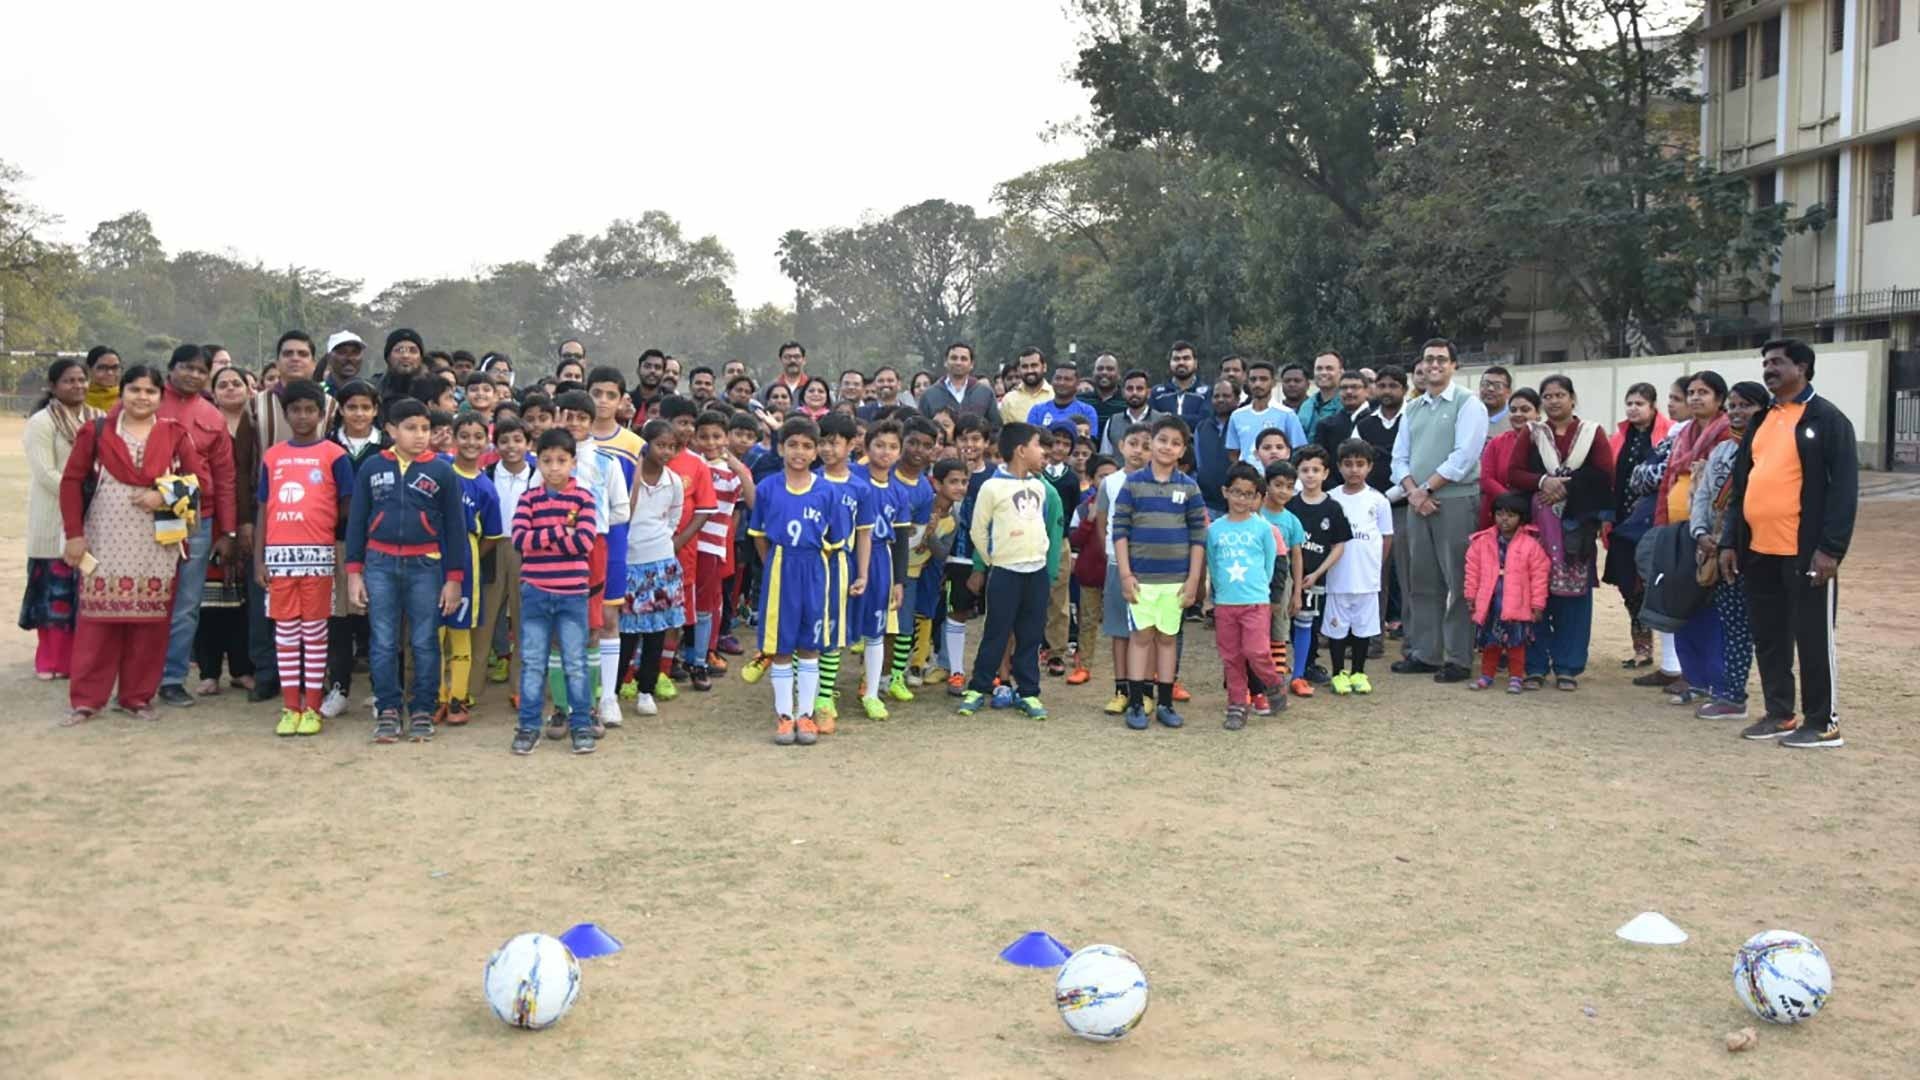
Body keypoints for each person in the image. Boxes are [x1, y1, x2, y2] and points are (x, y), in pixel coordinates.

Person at [1718, 340, 1857, 748]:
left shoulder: (1828, 420)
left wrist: (1831, 549)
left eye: (1777, 362)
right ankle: (1780, 714)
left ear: (1803, 367)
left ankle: (1822, 723)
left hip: (1806, 551)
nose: (1768, 369)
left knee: (1812, 636)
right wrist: (1730, 541)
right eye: (1765, 363)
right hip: (1758, 550)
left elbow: (1844, 491)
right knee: (1770, 635)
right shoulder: (1762, 421)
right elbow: (1742, 487)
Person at [59, 365, 209, 724]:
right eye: (135, 390)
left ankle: (137, 697)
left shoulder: (174, 435)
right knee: (97, 623)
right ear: (122, 393)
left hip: (156, 545)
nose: (142, 397)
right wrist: (74, 535)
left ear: (161, 396)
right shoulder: (95, 433)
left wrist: (162, 494)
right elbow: (70, 483)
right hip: (104, 540)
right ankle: (86, 700)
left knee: (150, 624)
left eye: (150, 391)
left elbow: (198, 482)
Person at [344, 397, 471, 744]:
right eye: (411, 428)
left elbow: (456, 530)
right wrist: (354, 572)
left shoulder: (442, 470)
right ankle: (387, 708)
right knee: (383, 641)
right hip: (379, 564)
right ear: (390, 430)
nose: (420, 436)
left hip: (426, 566)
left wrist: (454, 579)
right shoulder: (371, 467)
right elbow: (357, 522)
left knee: (424, 641)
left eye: (425, 429)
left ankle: (421, 709)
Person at [250, 381, 355, 736]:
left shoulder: (335, 455)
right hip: (279, 559)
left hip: (319, 556)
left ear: (322, 414)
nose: (303, 416)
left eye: (310, 410)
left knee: (314, 633)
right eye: (296, 410)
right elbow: (264, 507)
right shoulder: (273, 456)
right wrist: (259, 559)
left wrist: (319, 525)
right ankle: (289, 707)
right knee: (285, 635)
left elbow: (347, 505)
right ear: (286, 413)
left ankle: (312, 708)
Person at [1389, 339, 1489, 683]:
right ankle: (1425, 653)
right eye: (1428, 359)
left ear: (1454, 365)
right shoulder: (1413, 408)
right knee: (1422, 580)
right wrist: (1413, 492)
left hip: (1456, 500)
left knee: (1459, 582)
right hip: (1418, 502)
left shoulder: (1468, 404)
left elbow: (1464, 457)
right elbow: (1398, 457)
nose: (1434, 365)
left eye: (1441, 360)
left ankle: (1458, 658)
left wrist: (1426, 489)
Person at [1507, 375, 1614, 690]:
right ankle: (1535, 665)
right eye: (1548, 396)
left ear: (1572, 398)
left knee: (1574, 599)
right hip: (1538, 527)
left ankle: (1568, 666)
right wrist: (1543, 482)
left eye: (1560, 395)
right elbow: (1514, 473)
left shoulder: (1592, 433)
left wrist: (1566, 487)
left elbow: (1605, 476)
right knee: (1535, 594)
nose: (1554, 401)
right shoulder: (1532, 433)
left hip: (1575, 526)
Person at [748, 417, 843, 746]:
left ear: (816, 451)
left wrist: (811, 566)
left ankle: (806, 713)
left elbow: (835, 539)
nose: (799, 452)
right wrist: (775, 563)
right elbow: (759, 536)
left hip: (814, 568)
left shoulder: (827, 491)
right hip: (780, 566)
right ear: (780, 448)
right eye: (792, 445)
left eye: (806, 446)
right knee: (781, 645)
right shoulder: (767, 487)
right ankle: (784, 715)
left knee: (810, 643)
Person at [955, 421, 1058, 719]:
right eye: (1040, 446)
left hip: (1036, 572)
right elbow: (977, 529)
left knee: (1030, 633)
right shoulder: (991, 487)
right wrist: (992, 560)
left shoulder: (1040, 487)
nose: (1044, 453)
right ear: (1021, 450)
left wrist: (1041, 560)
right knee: (996, 631)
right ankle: (979, 687)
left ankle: (1028, 692)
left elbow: (1043, 526)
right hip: (1004, 571)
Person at [156, 345, 240, 709]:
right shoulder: (146, 402)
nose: (192, 375)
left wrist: (228, 531)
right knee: (146, 597)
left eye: (199, 370)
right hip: (148, 514)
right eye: (185, 368)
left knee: (187, 602)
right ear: (170, 369)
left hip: (197, 518)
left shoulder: (212, 415)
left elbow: (225, 477)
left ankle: (172, 679)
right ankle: (137, 676)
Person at [1111, 416, 1208, 731]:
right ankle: (1137, 703)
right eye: (1162, 439)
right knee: (1140, 638)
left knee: (1167, 639)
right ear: (1151, 443)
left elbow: (1198, 537)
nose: (1168, 447)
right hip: (1141, 580)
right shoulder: (1133, 483)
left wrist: (1194, 580)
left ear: (1182, 451)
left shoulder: (1189, 487)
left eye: (1175, 443)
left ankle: (1165, 703)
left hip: (1177, 581)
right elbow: (1120, 531)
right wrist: (1125, 575)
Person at [509, 429, 601, 756]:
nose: (554, 467)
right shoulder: (528, 498)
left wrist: (542, 536)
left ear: (573, 462)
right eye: (546, 460)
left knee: (575, 662)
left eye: (562, 460)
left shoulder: (584, 499)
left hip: (572, 593)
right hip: (534, 591)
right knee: (533, 663)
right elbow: (519, 540)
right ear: (538, 461)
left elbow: (585, 542)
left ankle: (581, 727)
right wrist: (562, 530)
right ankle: (528, 727)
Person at [1686, 380, 1764, 721]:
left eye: (1745, 405)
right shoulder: (1720, 451)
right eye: (1732, 405)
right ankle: (1733, 695)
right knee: (1733, 626)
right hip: (1718, 550)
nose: (1736, 412)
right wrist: (1700, 533)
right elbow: (1702, 495)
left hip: (1759, 549)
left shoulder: (1769, 449)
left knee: (1766, 630)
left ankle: (1780, 702)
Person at [22, 358, 104, 680]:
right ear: (53, 386)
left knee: (81, 595)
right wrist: (80, 493)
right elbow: (45, 473)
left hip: (91, 518)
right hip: (52, 519)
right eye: (69, 381)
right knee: (52, 595)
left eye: (82, 380)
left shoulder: (98, 419)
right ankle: (51, 662)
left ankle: (79, 662)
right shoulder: (42, 422)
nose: (78, 386)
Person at [1661, 370, 1736, 708]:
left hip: (1712, 536)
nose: (1694, 398)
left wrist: (1712, 534)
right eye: (1690, 392)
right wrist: (1661, 525)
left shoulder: (1728, 435)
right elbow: (1669, 479)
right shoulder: (1683, 434)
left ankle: (1717, 681)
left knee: (1712, 612)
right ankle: (1692, 677)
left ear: (1719, 399)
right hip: (1679, 532)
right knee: (1683, 606)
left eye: (1703, 392)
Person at [319, 380, 384, 717]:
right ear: (340, 410)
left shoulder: (388, 447)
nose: (359, 413)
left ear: (375, 410)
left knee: (378, 619)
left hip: (381, 544)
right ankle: (339, 688)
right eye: (352, 407)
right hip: (339, 541)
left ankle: (381, 689)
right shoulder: (327, 447)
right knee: (339, 618)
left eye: (366, 407)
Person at [436, 414, 505, 727]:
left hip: (467, 567)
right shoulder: (439, 470)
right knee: (433, 634)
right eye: (464, 436)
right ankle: (435, 696)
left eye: (478, 437)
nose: (471, 443)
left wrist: (469, 552)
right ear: (453, 437)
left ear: (486, 441)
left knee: (460, 633)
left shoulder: (486, 488)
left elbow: (492, 535)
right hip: (432, 563)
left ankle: (457, 698)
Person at [196, 366, 260, 696]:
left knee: (242, 602)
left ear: (250, 389)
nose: (231, 389)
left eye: (237, 383)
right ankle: (209, 672)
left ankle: (241, 668)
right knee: (209, 600)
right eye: (223, 384)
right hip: (212, 517)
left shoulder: (258, 424)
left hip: (249, 516)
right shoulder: (205, 424)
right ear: (213, 390)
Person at [1206, 462, 1283, 730]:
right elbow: (1213, 564)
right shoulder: (1215, 529)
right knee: (1231, 657)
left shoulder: (1263, 529)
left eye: (1248, 494)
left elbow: (1269, 564)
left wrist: (1261, 591)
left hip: (1255, 601)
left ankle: (1274, 684)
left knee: (1256, 651)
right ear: (1225, 492)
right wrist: (1216, 595)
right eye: (1236, 492)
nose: (1241, 499)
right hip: (1226, 603)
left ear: (1256, 497)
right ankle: (1237, 704)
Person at [620, 419, 687, 720]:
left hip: (660, 563)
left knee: (657, 631)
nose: (666, 452)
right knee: (625, 632)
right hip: (629, 562)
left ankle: (646, 689)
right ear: (645, 445)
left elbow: (673, 519)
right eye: (661, 445)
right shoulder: (628, 476)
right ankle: (616, 685)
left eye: (672, 447)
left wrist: (664, 544)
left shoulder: (673, 482)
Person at [1602, 382, 1671, 669]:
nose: (1633, 408)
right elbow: (1608, 478)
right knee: (1627, 582)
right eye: (1629, 403)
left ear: (1653, 406)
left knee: (1654, 584)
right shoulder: (1618, 438)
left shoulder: (1668, 435)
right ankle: (1641, 647)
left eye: (1639, 403)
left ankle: (1670, 657)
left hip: (1653, 521)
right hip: (1621, 522)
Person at [810, 413, 871, 730]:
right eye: (822, 442)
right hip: (808, 566)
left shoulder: (861, 488)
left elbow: (864, 533)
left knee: (834, 632)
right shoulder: (808, 480)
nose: (827, 449)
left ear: (851, 445)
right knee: (807, 628)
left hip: (840, 567)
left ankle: (823, 697)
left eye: (834, 442)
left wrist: (862, 574)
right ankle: (804, 692)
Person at [850, 420, 913, 719]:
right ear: (866, 448)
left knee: (876, 630)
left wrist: (899, 581)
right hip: (846, 554)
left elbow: (901, 540)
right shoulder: (852, 479)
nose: (885, 452)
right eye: (879, 445)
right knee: (836, 627)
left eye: (892, 447)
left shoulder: (899, 492)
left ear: (899, 452)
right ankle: (821, 692)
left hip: (879, 559)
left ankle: (872, 693)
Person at [1091, 426, 1153, 713]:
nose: (1138, 450)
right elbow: (1103, 522)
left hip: (1151, 567)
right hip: (1118, 564)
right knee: (1119, 630)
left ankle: (1147, 690)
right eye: (1133, 443)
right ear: (1121, 446)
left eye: (1145, 445)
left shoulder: (1156, 482)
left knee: (1148, 630)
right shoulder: (1110, 483)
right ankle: (1121, 689)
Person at [1463, 490, 1550, 693]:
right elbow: (1472, 571)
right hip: (1490, 603)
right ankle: (1486, 675)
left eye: (1511, 515)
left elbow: (1539, 577)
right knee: (1490, 642)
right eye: (1500, 514)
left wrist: (1538, 605)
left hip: (1517, 603)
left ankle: (1516, 677)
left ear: (1521, 518)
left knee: (1516, 643)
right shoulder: (1482, 542)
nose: (1505, 519)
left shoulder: (1531, 545)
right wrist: (1470, 595)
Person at [1324, 440, 1393, 694]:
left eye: (1360, 464)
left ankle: (1359, 672)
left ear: (1370, 467)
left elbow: (1386, 537)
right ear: (1339, 467)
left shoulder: (1378, 500)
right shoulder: (1331, 498)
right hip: (1338, 576)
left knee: (1363, 628)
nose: (1354, 470)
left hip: (1367, 578)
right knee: (1337, 627)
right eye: (1348, 464)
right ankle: (1338, 672)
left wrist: (1376, 566)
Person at [694, 409, 754, 687]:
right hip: (687, 542)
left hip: (715, 543)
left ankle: (705, 652)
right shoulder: (693, 464)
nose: (710, 442)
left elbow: (751, 502)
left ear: (727, 438)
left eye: (717, 436)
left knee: (712, 601)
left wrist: (737, 466)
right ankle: (692, 652)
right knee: (690, 599)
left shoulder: (734, 472)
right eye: (703, 436)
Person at [881, 417, 939, 696]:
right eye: (913, 442)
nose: (918, 450)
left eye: (926, 445)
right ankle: (874, 675)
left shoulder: (926, 490)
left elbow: (916, 535)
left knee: (903, 624)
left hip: (906, 567)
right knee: (876, 625)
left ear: (934, 451)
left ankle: (895, 677)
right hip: (875, 560)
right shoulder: (883, 472)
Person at [1286, 446, 1350, 695]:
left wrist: (1318, 572)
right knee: (1283, 625)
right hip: (1288, 578)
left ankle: (1302, 671)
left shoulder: (1333, 508)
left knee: (1307, 624)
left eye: (1316, 470)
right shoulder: (1290, 505)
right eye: (1305, 470)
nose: (1310, 475)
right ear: (1297, 473)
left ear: (1325, 473)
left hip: (1314, 579)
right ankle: (1277, 668)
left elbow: (1339, 546)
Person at [480, 416, 534, 701]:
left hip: (526, 550)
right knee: (485, 618)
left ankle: (520, 688)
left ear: (528, 443)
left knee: (524, 619)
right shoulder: (486, 474)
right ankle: (471, 688)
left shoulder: (538, 475)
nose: (511, 446)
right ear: (495, 444)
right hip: (491, 547)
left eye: (517, 440)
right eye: (504, 441)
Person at [1067, 454, 1120, 688]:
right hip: (1090, 574)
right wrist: (1089, 521)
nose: (1108, 480)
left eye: (1112, 475)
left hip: (1119, 574)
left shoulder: (1127, 504)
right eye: (1102, 476)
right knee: (1087, 621)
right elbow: (1074, 539)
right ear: (1091, 479)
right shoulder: (1082, 508)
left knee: (1124, 622)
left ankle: (1130, 669)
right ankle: (1084, 665)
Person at [1259, 460, 1306, 709]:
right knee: (1255, 633)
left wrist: (1297, 592)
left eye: (1289, 486)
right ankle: (1252, 682)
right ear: (1266, 485)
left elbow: (1296, 557)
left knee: (1278, 632)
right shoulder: (1256, 514)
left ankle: (1275, 682)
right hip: (1254, 581)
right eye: (1278, 485)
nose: (1283, 492)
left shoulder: (1292, 521)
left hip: (1281, 583)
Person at [1476, 388, 1540, 531]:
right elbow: (1486, 478)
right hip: (1499, 514)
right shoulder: (1496, 443)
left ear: (1538, 414)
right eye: (1513, 410)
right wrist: (1510, 501)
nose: (1518, 414)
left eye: (1525, 410)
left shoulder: (1546, 443)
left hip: (1536, 514)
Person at [1224, 360, 1307, 464]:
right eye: (1253, 379)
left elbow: (1299, 449)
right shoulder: (1237, 416)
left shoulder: (1287, 414)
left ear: (1273, 382)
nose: (1257, 384)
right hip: (1247, 478)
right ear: (1247, 382)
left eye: (1263, 379)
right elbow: (1233, 451)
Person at [919, 342, 1000, 431]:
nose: (958, 362)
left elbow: (995, 428)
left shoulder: (985, 393)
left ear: (972, 364)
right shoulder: (929, 395)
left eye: (964, 359)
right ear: (945, 362)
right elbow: (923, 429)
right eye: (954, 358)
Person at [1193, 379, 1238, 518]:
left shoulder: (1241, 425)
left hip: (1237, 502)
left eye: (1226, 396)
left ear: (1236, 399)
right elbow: (1198, 463)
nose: (1220, 400)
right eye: (1216, 396)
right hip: (1208, 504)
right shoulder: (1201, 427)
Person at [1098, 370, 1165, 457]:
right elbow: (1105, 456)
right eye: (1130, 389)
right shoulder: (1113, 422)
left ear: (1148, 393)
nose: (1134, 393)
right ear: (1123, 393)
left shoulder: (1162, 421)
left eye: (1139, 388)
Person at [1151, 341, 1210, 431]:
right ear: (1170, 363)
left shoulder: (1207, 392)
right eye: (1176, 359)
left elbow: (1204, 421)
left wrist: (1170, 417)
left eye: (1186, 358)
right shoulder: (1157, 393)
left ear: (1195, 363)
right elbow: (1152, 421)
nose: (1181, 362)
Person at [377, 328, 428, 423]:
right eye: (399, 350)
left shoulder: (433, 389)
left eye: (413, 351)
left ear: (421, 358)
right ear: (388, 357)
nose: (405, 355)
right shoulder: (375, 389)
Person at [1078, 352, 1128, 443]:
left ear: (1118, 374)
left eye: (1110, 369)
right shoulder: (1081, 401)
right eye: (1100, 369)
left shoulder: (1127, 402)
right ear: (1093, 372)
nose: (1104, 372)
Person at [1296, 350, 1345, 443]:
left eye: (1329, 368)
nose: (1323, 373)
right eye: (1319, 368)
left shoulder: (1346, 405)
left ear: (1341, 372)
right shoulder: (1306, 405)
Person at [998, 348, 1053, 425]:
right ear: (1019, 369)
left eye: (1034, 365)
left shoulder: (1055, 395)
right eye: (1025, 366)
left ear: (1044, 367)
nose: (1029, 371)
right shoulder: (1009, 400)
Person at [756, 341, 811, 408]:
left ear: (804, 360)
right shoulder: (767, 389)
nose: (792, 360)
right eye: (787, 357)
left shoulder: (813, 389)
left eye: (797, 357)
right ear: (781, 360)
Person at [84, 346, 122, 412]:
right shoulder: (78, 398)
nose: (110, 373)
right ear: (88, 369)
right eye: (103, 367)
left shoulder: (127, 398)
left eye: (115, 367)